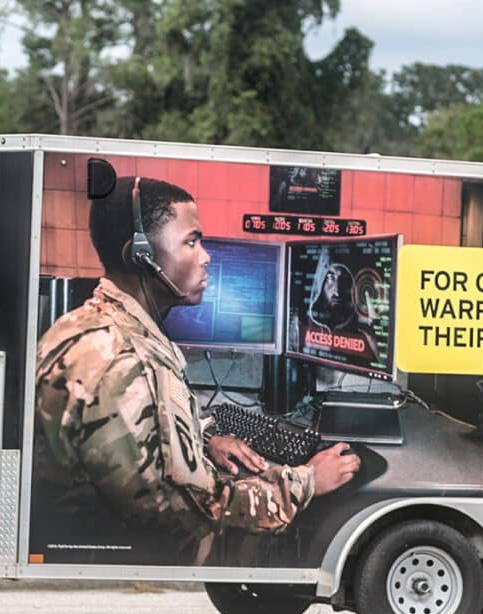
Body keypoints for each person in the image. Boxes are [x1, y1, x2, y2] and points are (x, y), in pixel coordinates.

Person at [32, 168, 360, 566]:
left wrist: (205, 442)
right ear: (143, 255)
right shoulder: (125, 361)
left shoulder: (98, 324)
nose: (206, 257)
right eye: (192, 241)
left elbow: (144, 440)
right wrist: (306, 482)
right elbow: (184, 517)